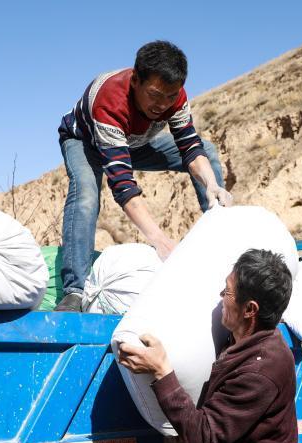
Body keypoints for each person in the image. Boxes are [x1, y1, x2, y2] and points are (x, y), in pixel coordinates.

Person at [117, 249, 300, 443]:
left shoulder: (260, 370)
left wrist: (162, 372)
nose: (221, 296)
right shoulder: (246, 343)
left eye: (228, 292)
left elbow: (206, 437)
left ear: (250, 310)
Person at [56, 40, 232, 312]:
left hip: (132, 143)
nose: (162, 104)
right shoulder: (110, 100)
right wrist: (159, 240)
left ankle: (223, 245)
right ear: (135, 81)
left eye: (170, 96)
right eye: (155, 95)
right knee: (86, 194)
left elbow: (189, 146)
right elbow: (122, 184)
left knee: (206, 153)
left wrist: (212, 185)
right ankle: (75, 291)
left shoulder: (175, 95)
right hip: (84, 142)